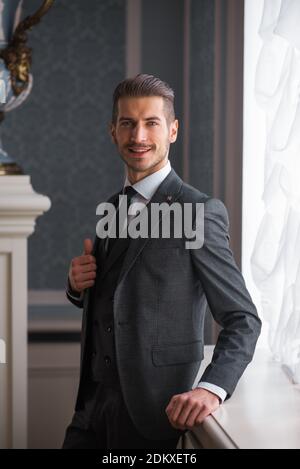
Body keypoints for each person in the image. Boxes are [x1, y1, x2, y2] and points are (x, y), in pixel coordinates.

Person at [62, 74, 261, 449]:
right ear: (113, 132)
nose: (138, 136)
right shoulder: (114, 206)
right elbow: (115, 295)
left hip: (155, 413)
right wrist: (77, 285)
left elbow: (243, 319)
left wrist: (212, 389)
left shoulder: (199, 211)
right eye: (127, 123)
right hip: (90, 410)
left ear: (172, 130)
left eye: (151, 123)